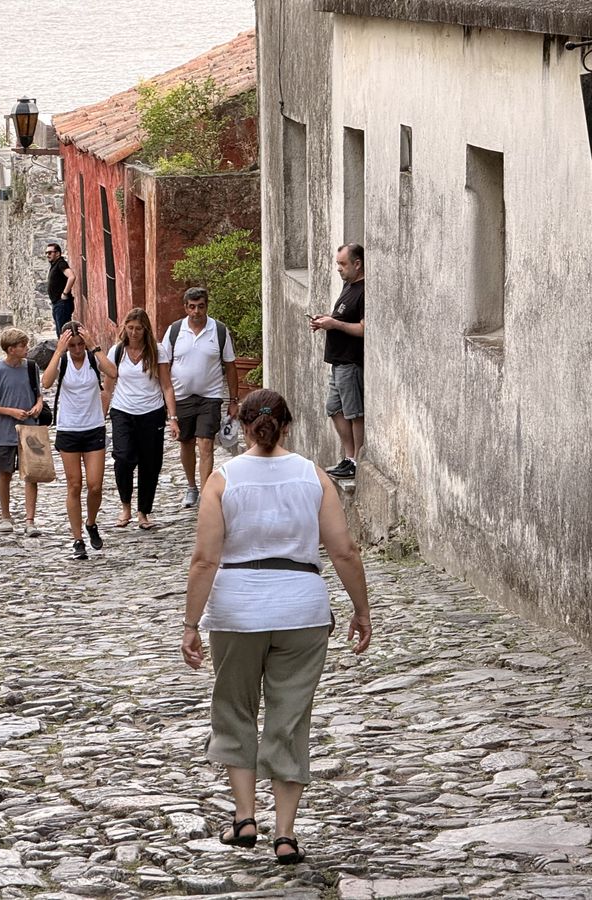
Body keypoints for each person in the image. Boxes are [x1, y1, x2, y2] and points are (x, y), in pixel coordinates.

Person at [180, 389, 372, 864]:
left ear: (242, 426)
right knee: (290, 719)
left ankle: (244, 819)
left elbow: (205, 560)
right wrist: (361, 610)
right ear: (288, 425)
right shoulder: (314, 476)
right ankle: (284, 834)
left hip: (237, 612)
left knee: (234, 710)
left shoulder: (222, 479)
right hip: (301, 610)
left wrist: (190, 624)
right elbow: (344, 551)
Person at [42, 321, 117, 559]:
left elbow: (113, 372)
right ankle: (77, 540)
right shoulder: (63, 361)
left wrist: (94, 347)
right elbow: (45, 382)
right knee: (74, 484)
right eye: (72, 345)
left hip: (94, 427)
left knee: (95, 485)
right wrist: (59, 351)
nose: (76, 349)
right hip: (69, 429)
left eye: (79, 344)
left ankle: (91, 522)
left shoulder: (92, 358)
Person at [103, 308, 177, 530]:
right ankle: (125, 504)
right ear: (124, 328)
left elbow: (166, 386)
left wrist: (172, 417)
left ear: (146, 330)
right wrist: (100, 418)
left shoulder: (157, 352)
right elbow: (107, 389)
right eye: (130, 328)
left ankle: (143, 511)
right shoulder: (116, 352)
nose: (134, 333)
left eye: (139, 329)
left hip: (151, 412)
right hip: (123, 411)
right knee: (123, 458)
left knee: (150, 464)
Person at [165, 287, 239, 509]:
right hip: (181, 396)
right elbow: (163, 365)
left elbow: (231, 365)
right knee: (186, 443)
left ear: (207, 306)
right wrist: (168, 406)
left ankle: (207, 492)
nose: (196, 311)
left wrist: (234, 400)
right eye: (192, 307)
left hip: (210, 396)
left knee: (206, 443)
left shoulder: (218, 331)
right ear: (185, 307)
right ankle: (191, 486)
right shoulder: (175, 331)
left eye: (201, 306)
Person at [0, 327, 44, 536]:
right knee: (5, 473)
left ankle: (30, 519)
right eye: (22, 346)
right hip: (5, 432)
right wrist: (10, 412)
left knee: (31, 475)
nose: (27, 349)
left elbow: (39, 395)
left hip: (30, 430)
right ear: (11, 349)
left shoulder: (31, 368)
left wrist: (38, 405)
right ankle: (5, 516)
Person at [311, 243, 365, 479]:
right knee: (334, 408)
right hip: (337, 362)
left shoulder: (364, 291)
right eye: (338, 264)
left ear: (357, 263)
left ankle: (356, 462)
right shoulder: (348, 286)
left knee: (354, 413)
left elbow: (364, 329)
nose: (339, 269)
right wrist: (325, 319)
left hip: (350, 362)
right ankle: (349, 456)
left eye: (342, 264)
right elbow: (341, 316)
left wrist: (335, 324)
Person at [45, 242, 76, 335]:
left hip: (62, 303)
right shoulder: (55, 265)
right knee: (61, 332)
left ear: (57, 253)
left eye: (50, 252)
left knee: (64, 333)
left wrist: (65, 293)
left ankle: (66, 349)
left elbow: (72, 277)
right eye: (46, 253)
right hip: (57, 303)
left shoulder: (61, 263)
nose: (47, 255)